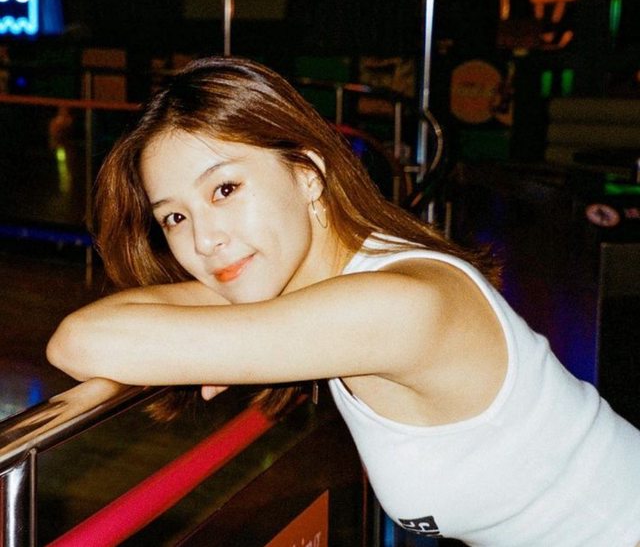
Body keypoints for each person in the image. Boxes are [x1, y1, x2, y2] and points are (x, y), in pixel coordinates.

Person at [47, 56, 640, 547]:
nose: (203, 240)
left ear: (308, 173)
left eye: (225, 189)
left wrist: (219, 334)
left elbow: (78, 341)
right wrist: (232, 321)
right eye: (174, 217)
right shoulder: (344, 280)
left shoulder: (393, 307)